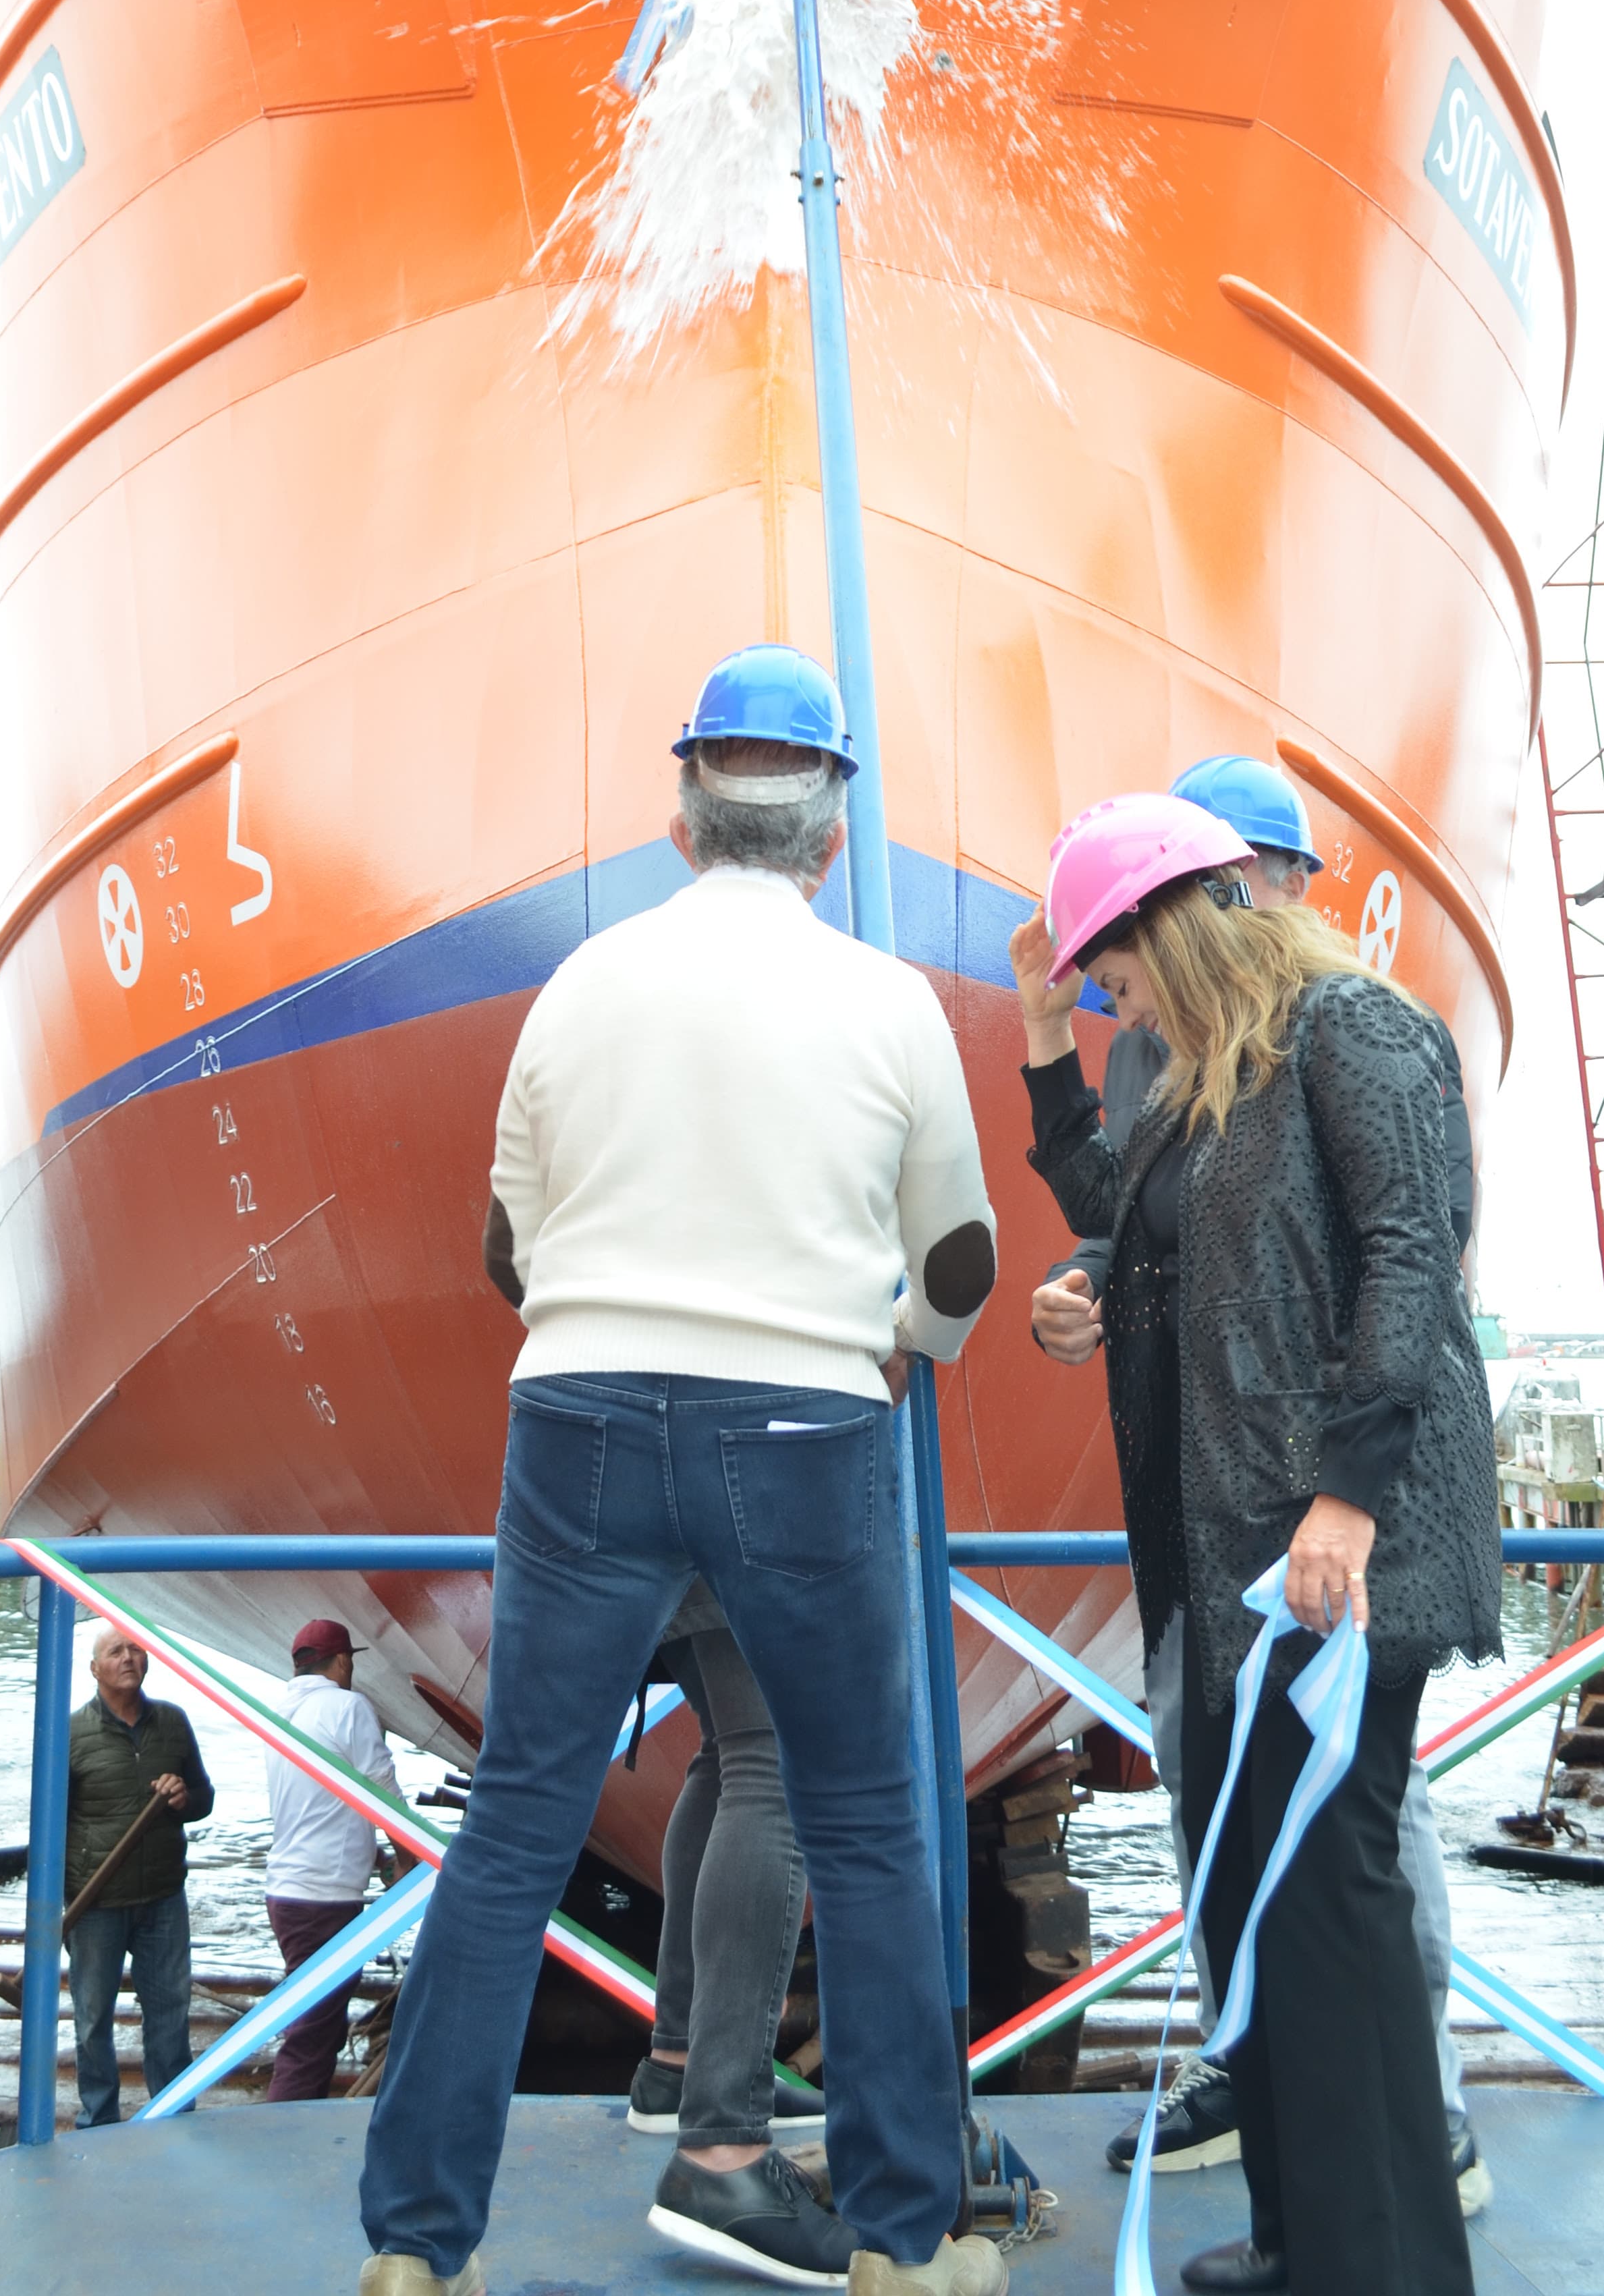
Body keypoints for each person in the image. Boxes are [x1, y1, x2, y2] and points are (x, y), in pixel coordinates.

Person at [356, 644, 1006, 2296]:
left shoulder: (579, 989)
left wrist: (607, 1330)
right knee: (861, 1827)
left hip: (576, 1421)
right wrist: (883, 1352)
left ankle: (419, 2248)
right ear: (833, 834)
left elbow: (512, 1241)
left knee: (514, 1828)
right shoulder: (888, 1004)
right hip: (804, 1428)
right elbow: (959, 1267)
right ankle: (899, 2238)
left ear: (681, 816)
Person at [1011, 791, 1501, 2296]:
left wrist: (1349, 1495)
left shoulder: (1354, 1029)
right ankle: (1308, 2242)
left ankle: (1385, 2269)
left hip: (1344, 1546)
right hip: (1233, 1561)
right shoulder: (1209, 1080)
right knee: (1260, 1910)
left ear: (1174, 925)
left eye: (1113, 976)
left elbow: (1416, 1250)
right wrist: (1078, 1276)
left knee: (1332, 1901)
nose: (1116, 1004)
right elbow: (1120, 1209)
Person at [626, 1581, 827, 2160]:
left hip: (674, 1544)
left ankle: (681, 2067)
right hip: (738, 1531)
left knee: (730, 1752)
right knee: (768, 1761)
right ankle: (726, 2118)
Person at [65, 1623, 215, 2127]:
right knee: (92, 2021)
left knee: (171, 2016)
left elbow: (204, 1799)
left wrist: (183, 1799)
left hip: (163, 1897)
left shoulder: (173, 1723)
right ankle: (99, 2121)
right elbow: (50, 1822)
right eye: (115, 1651)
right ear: (94, 1669)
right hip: (96, 1904)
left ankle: (173, 2119)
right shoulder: (70, 1733)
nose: (128, 1657)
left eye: (135, 1648)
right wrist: (60, 1905)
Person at [262, 1616, 402, 2102]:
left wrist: (374, 1854)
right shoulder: (349, 1707)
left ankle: (297, 2132)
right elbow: (383, 1790)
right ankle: (284, 2147)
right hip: (324, 1901)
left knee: (316, 2024)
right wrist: (411, 1860)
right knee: (312, 2039)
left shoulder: (281, 1713)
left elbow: (318, 1807)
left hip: (287, 1892)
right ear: (343, 1662)